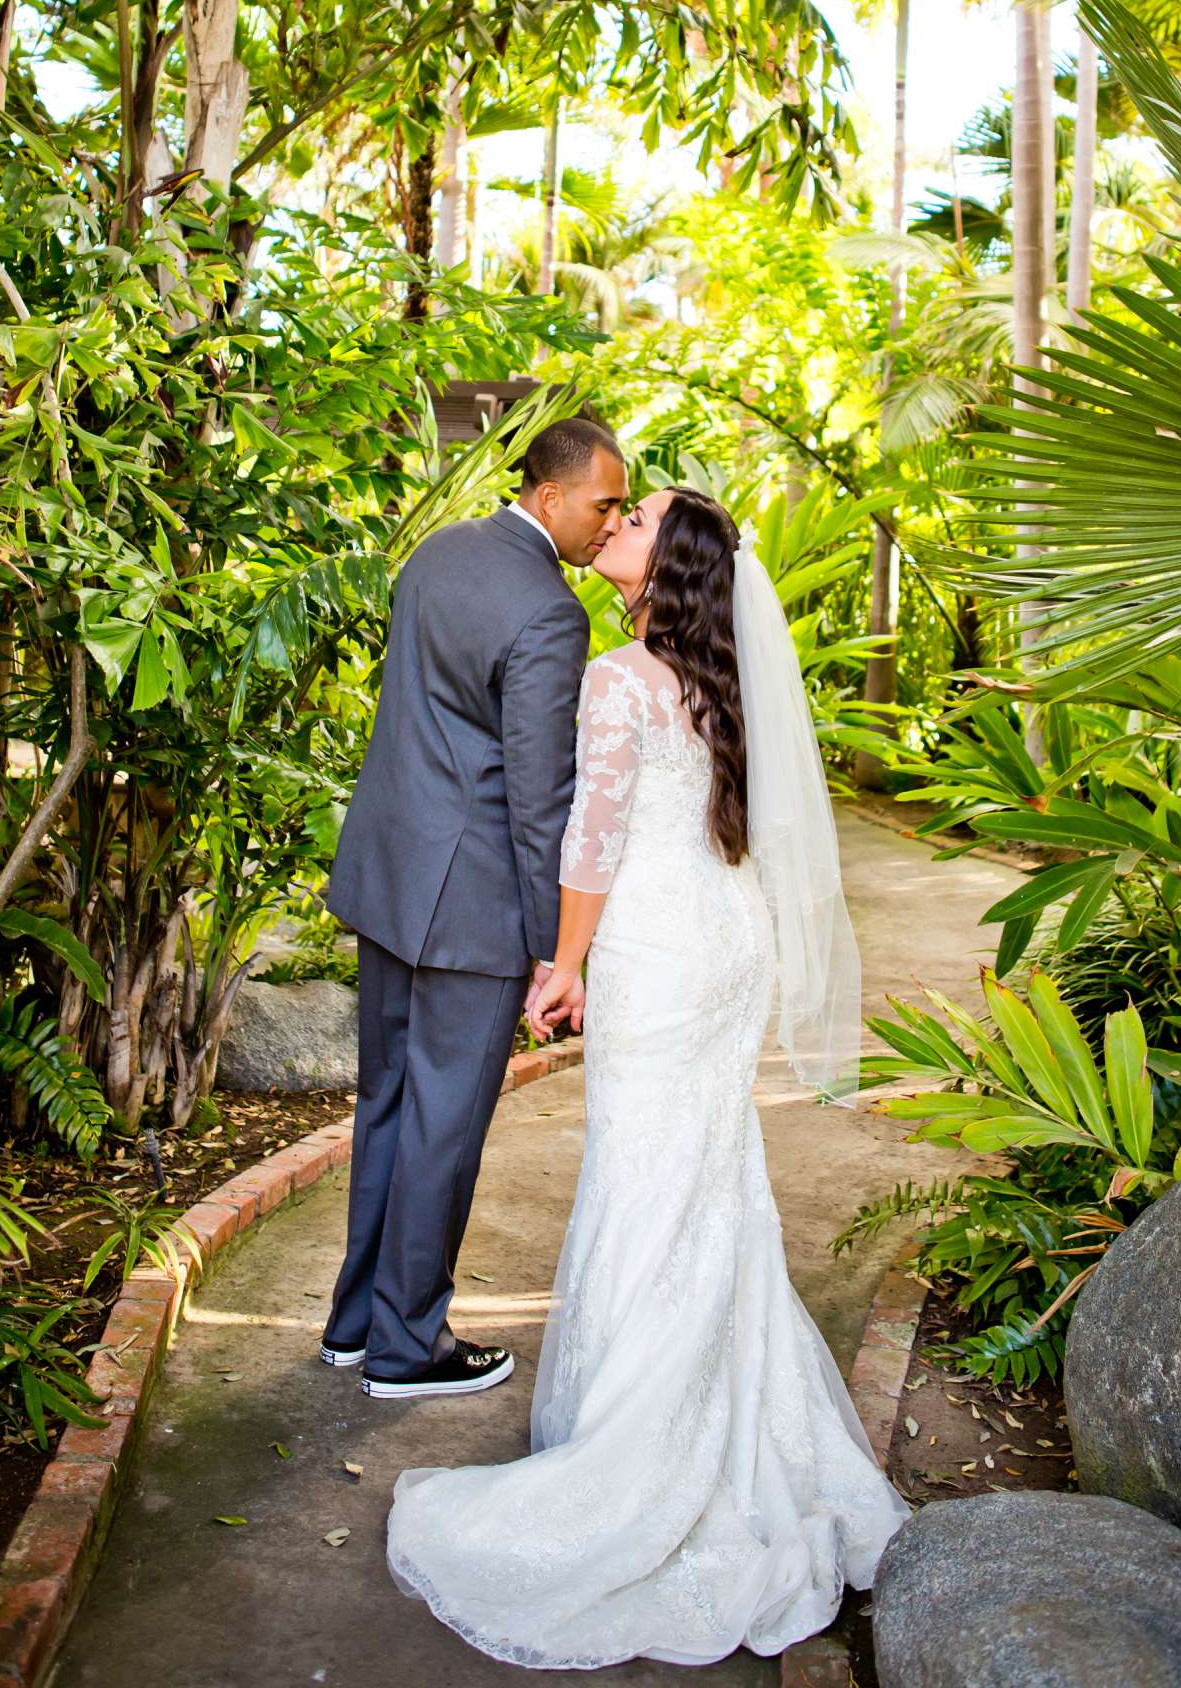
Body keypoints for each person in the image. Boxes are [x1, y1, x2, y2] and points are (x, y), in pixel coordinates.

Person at [384, 485, 911, 1664]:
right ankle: (734, 1428)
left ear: (659, 565)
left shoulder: (623, 680)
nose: (612, 525)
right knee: (709, 1178)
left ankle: (643, 1456)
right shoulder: (722, 677)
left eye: (634, 521)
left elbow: (593, 838)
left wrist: (560, 964)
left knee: (646, 1177)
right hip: (727, 937)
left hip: (660, 949)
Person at [321, 415, 627, 1399]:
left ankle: (355, 1325)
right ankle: (409, 1351)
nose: (607, 521)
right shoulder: (548, 609)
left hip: (391, 876)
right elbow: (540, 797)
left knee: (388, 1107)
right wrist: (553, 948)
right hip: (473, 906)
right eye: (603, 503)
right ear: (550, 495)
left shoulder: (437, 552)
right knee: (443, 1125)